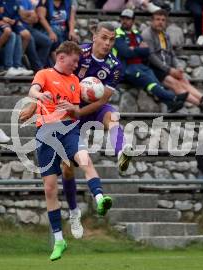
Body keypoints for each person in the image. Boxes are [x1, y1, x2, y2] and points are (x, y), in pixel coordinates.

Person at [19, 41, 113, 261]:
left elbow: (75, 112)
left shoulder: (75, 82)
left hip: (69, 130)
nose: (76, 66)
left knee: (84, 159)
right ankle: (59, 239)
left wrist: (75, 109)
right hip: (46, 135)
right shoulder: (44, 74)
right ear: (62, 57)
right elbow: (33, 89)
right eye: (74, 61)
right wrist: (38, 97)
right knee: (50, 188)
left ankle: (99, 198)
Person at [62, 22, 132, 239]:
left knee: (113, 116)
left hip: (89, 110)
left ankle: (121, 151)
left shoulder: (115, 66)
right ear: (94, 36)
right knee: (68, 169)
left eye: (111, 40)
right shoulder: (77, 53)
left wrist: (79, 112)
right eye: (104, 38)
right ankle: (74, 211)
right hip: (69, 112)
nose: (107, 43)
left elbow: (103, 99)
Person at [142, 9, 203, 111]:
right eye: (158, 19)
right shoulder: (147, 34)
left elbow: (172, 54)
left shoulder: (165, 35)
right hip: (153, 68)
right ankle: (201, 104)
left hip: (166, 68)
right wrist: (169, 70)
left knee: (183, 79)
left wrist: (178, 67)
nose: (160, 22)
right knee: (174, 83)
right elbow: (151, 56)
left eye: (163, 20)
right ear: (152, 21)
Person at [113, 9, 188, 113]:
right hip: (127, 68)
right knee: (149, 82)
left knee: (155, 82)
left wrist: (133, 49)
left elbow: (147, 51)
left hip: (140, 65)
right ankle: (174, 97)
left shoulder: (136, 33)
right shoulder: (117, 34)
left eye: (128, 19)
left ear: (133, 21)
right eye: (123, 18)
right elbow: (125, 53)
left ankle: (170, 104)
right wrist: (138, 49)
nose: (125, 21)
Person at [0, 0, 34, 76]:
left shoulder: (15, 2)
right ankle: (8, 67)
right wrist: (2, 18)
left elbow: (17, 15)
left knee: (18, 35)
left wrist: (14, 20)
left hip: (10, 24)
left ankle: (17, 65)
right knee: (12, 35)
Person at [19, 0, 52, 71]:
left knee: (47, 41)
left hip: (29, 28)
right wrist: (27, 15)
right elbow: (18, 16)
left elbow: (35, 19)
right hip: (18, 28)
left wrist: (23, 17)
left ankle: (38, 67)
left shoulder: (27, 2)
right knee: (31, 40)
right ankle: (38, 68)